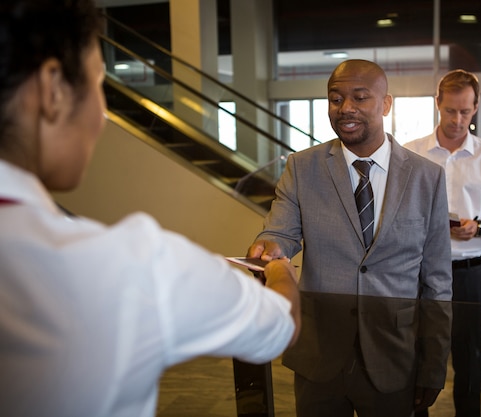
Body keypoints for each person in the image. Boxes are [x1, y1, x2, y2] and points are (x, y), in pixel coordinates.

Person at [0, 2, 300, 417]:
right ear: (52, 90)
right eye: (99, 83)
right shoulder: (132, 263)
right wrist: (281, 270)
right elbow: (279, 325)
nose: (102, 114)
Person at [247, 59, 453, 417]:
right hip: (320, 358)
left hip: (395, 356)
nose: (346, 109)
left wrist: (434, 365)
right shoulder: (302, 167)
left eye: (360, 97)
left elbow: (437, 282)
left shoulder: (427, 178)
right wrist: (270, 248)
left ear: (386, 104)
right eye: (335, 99)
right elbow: (279, 231)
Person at [404, 69, 481, 417]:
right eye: (450, 110)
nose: (457, 120)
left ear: (476, 108)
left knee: (469, 356)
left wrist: (479, 227)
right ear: (437, 104)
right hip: (420, 272)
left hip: (471, 272)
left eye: (465, 112)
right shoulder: (410, 154)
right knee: (417, 352)